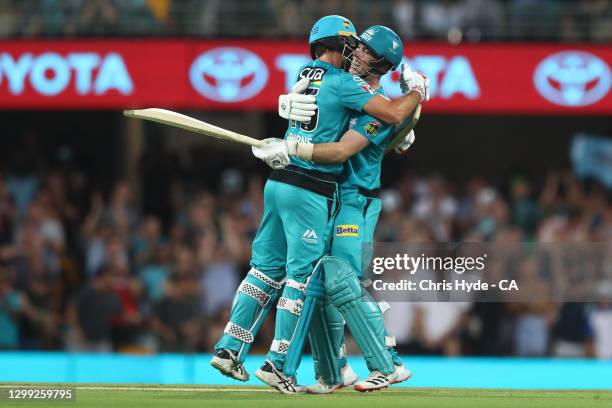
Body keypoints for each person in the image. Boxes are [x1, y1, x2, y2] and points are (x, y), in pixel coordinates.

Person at [211, 15, 426, 394]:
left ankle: (387, 364)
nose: (357, 51)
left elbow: (349, 145)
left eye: (366, 49)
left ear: (383, 64)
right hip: (323, 193)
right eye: (355, 44)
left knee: (342, 280)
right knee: (317, 284)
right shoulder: (348, 86)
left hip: (353, 199)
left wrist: (410, 109)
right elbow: (384, 118)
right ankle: (333, 370)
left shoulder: (331, 83)